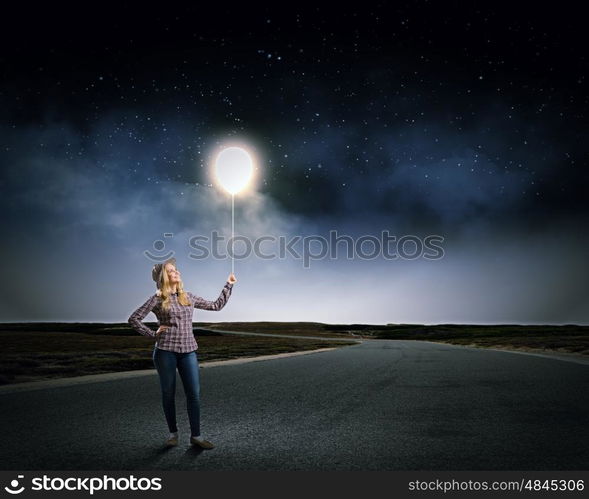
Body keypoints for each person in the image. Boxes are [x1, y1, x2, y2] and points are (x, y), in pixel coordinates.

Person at [127, 257, 236, 449]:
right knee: (168, 393)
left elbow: (216, 305)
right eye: (171, 270)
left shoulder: (189, 297)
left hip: (188, 352)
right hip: (164, 352)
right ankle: (173, 434)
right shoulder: (157, 299)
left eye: (176, 269)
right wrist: (152, 333)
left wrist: (228, 285)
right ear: (163, 277)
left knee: (193, 394)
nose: (177, 272)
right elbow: (134, 319)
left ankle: (197, 436)